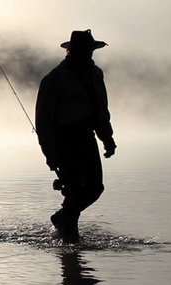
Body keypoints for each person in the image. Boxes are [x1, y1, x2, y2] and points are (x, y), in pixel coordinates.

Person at [35, 29, 117, 243]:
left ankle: (63, 219)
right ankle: (70, 243)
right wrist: (50, 154)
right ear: (71, 52)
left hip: (87, 138)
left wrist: (107, 139)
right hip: (64, 141)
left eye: (89, 50)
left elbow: (101, 111)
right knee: (73, 189)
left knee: (95, 188)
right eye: (82, 51)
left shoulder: (96, 74)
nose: (86, 54)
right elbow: (43, 123)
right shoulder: (53, 79)